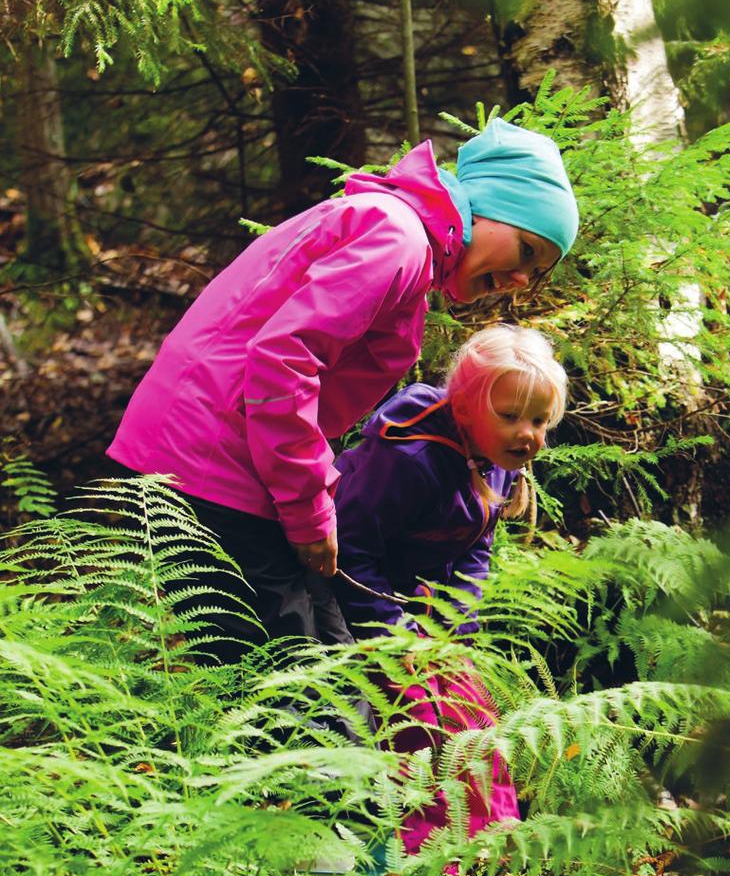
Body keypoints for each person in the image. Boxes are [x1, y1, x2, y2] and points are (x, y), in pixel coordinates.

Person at [106, 121, 578, 654]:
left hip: (231, 462)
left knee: (332, 676)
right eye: (527, 250)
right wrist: (309, 510)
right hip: (208, 466)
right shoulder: (395, 238)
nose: (521, 279)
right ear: (490, 209)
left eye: (537, 272)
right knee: (303, 698)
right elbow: (283, 361)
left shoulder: (400, 240)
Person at [331, 324, 568, 858]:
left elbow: (474, 550)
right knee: (415, 721)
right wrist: (396, 635)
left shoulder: (497, 460)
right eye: (510, 416)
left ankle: (489, 852)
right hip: (354, 598)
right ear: (464, 409)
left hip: (417, 614)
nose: (527, 433)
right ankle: (425, 860)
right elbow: (351, 542)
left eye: (538, 420)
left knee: (471, 720)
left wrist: (450, 624)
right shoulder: (409, 459)